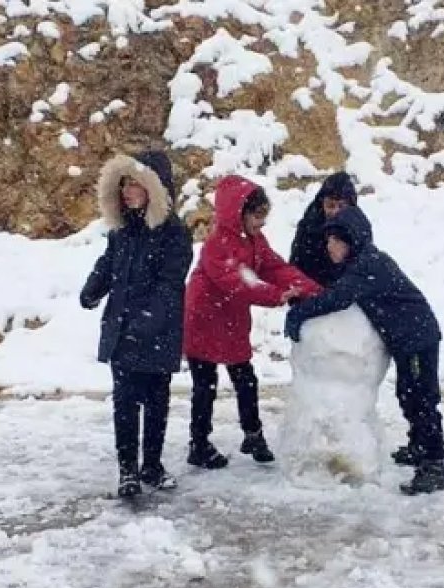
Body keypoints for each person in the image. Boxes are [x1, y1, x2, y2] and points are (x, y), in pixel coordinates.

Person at [284, 205, 444, 495]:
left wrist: (298, 314)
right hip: (405, 339)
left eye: (334, 241)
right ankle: (418, 445)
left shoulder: (368, 265)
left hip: (417, 338)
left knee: (422, 399)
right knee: (407, 394)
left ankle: (433, 464)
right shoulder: (364, 262)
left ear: (351, 240)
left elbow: (338, 298)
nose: (329, 247)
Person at [182, 176, 320, 469]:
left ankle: (253, 434)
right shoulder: (216, 244)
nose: (261, 224)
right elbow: (239, 283)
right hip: (203, 319)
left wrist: (311, 290)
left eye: (264, 217)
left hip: (231, 319)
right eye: (257, 217)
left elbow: (275, 268)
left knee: (246, 379)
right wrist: (279, 294)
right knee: (205, 385)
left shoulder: (256, 241)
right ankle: (199, 443)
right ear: (239, 213)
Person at [80, 150, 193, 499]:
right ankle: (127, 470)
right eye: (124, 184)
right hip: (122, 331)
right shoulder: (123, 231)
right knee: (125, 404)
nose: (127, 190)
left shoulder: (173, 233)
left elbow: (170, 284)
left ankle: (152, 466)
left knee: (156, 402)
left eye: (135, 184)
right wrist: (93, 287)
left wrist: (147, 321)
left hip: (156, 333)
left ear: (153, 188)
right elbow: (108, 263)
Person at [289, 172, 357, 287]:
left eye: (342, 206)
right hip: (314, 290)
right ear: (322, 204)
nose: (335, 211)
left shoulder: (358, 227)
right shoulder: (309, 228)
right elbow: (297, 269)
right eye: (330, 205)